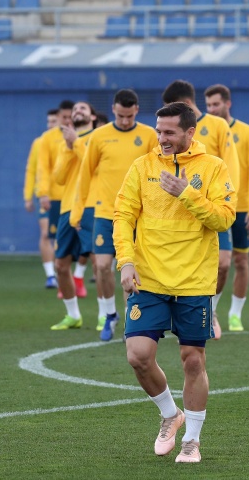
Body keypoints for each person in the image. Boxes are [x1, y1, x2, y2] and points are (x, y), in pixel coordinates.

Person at [114, 101, 236, 464]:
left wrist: (186, 192)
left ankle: (192, 441)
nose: (162, 138)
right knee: (138, 356)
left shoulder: (213, 168)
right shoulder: (142, 166)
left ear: (189, 132)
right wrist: (126, 262)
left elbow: (224, 219)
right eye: (159, 131)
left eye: (169, 132)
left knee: (192, 361)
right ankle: (170, 414)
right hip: (148, 278)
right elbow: (122, 215)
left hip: (195, 281)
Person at [70, 89, 157, 341]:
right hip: (106, 213)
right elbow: (85, 175)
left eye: (129, 116)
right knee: (101, 266)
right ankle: (109, 314)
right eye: (120, 115)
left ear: (137, 111)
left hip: (138, 216)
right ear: (113, 110)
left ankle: (133, 317)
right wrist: (77, 211)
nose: (125, 120)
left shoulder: (149, 135)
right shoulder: (100, 136)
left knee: (133, 271)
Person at [161, 79, 240, 339]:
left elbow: (230, 165)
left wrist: (229, 200)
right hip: (179, 208)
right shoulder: (169, 131)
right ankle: (180, 311)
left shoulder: (217, 126)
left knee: (224, 263)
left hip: (214, 205)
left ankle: (211, 309)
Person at [204, 84, 249, 333]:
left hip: (242, 207)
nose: (212, 109)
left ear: (228, 104)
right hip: (216, 206)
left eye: (216, 104)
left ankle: (236, 314)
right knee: (217, 262)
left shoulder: (247, 133)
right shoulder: (204, 130)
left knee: (241, 260)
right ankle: (212, 309)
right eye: (208, 105)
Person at [49, 101, 97, 330]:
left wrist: (76, 143)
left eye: (83, 109)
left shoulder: (98, 138)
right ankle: (73, 315)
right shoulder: (64, 145)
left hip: (92, 207)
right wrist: (69, 147)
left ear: (93, 117)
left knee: (99, 262)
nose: (78, 112)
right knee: (60, 264)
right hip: (68, 207)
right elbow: (58, 177)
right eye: (75, 110)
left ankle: (106, 315)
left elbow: (93, 165)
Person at [37, 100, 89, 298]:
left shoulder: (92, 137)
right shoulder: (48, 139)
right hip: (60, 198)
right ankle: (59, 280)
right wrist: (42, 192)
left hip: (88, 201)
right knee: (57, 243)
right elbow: (44, 168)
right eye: (65, 117)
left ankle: (79, 276)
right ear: (59, 118)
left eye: (71, 116)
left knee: (92, 250)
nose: (68, 120)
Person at [24, 108, 59, 289]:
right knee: (46, 233)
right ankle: (50, 275)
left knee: (64, 236)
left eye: (54, 121)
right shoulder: (39, 142)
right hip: (45, 196)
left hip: (66, 197)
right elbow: (32, 169)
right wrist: (28, 196)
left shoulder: (68, 141)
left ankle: (70, 273)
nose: (50, 125)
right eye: (49, 121)